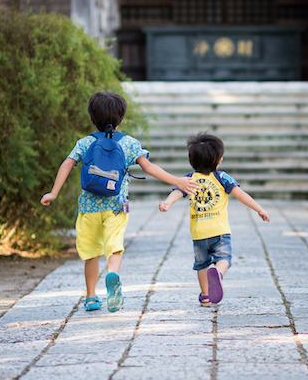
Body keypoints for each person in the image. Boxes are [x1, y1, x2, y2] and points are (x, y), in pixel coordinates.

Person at [41, 91, 199, 313]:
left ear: (92, 118)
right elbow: (149, 167)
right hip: (116, 206)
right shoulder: (129, 143)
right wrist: (177, 181)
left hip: (88, 208)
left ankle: (90, 297)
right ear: (121, 119)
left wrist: (53, 193)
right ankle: (113, 273)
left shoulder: (85, 142)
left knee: (91, 253)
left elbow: (67, 164)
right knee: (114, 247)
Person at [159, 132, 269, 306]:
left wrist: (167, 203)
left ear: (191, 161)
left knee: (201, 265)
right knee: (224, 258)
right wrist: (259, 209)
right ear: (219, 160)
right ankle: (218, 273)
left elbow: (177, 192)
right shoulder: (222, 177)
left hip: (199, 233)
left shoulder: (189, 179)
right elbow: (241, 195)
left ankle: (205, 295)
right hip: (219, 230)